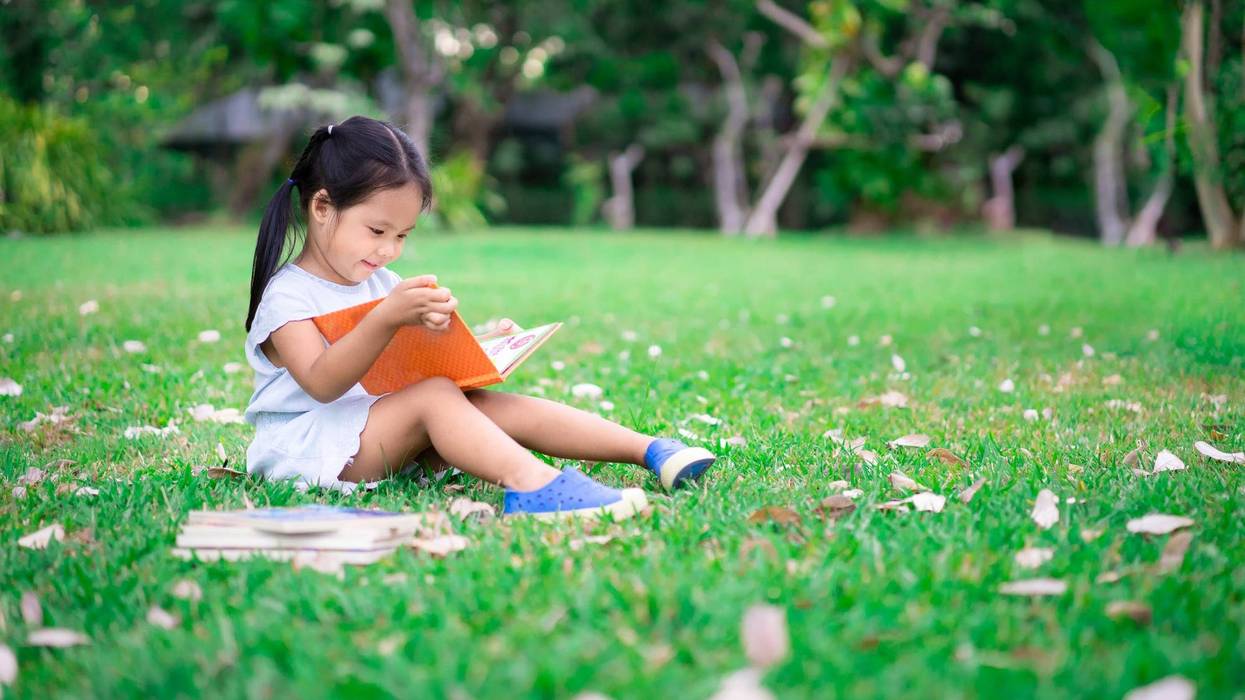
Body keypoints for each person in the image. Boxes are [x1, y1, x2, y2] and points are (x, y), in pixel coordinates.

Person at [241, 116, 716, 520]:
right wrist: (386, 319)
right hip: (308, 450)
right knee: (435, 397)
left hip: (371, 431)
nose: (388, 250)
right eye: (377, 230)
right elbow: (323, 383)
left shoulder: (380, 283)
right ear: (322, 207)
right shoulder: (289, 296)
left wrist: (478, 345)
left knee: (476, 399)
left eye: (402, 235)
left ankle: (650, 450)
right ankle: (536, 487)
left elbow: (411, 364)